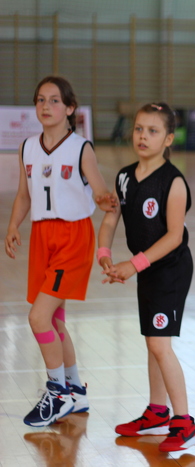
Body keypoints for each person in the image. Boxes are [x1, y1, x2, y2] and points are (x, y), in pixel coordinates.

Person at [4, 76, 116, 427]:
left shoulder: (81, 148)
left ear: (70, 109)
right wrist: (13, 225)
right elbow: (24, 194)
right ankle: (75, 390)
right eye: (40, 99)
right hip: (42, 236)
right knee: (54, 320)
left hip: (72, 237)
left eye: (54, 100)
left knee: (38, 318)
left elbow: (99, 190)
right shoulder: (27, 147)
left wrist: (104, 200)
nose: (46, 106)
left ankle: (57, 393)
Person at [97, 102, 195, 452]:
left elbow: (173, 236)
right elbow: (112, 218)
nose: (143, 136)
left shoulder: (174, 182)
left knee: (159, 344)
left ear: (168, 138)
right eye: (139, 129)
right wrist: (104, 253)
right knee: (152, 341)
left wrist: (133, 264)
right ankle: (157, 411)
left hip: (170, 269)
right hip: (147, 268)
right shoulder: (124, 177)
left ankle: (184, 422)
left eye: (153, 131)